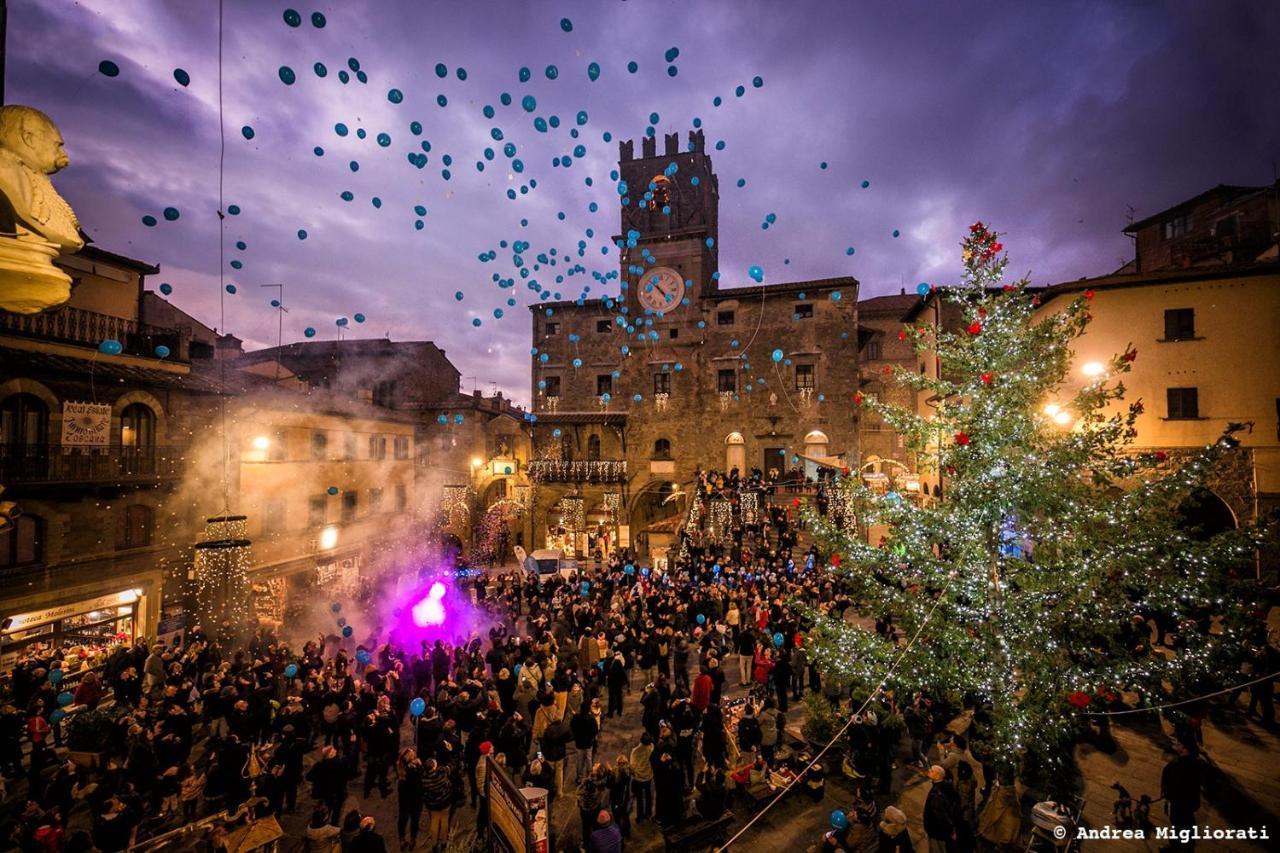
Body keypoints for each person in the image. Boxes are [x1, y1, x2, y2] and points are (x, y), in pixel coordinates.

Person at [1160, 737, 1202, 851]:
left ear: (1184, 749)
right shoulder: (1194, 762)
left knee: (1181, 825)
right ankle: (1176, 844)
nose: (1174, 745)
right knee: (1181, 825)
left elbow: (1174, 786)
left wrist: (1167, 796)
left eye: (1178, 744)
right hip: (1187, 803)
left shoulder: (1178, 766)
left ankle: (1179, 847)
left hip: (1180, 803)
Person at [923, 764, 960, 853]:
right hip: (943, 831)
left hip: (937, 832)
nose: (929, 771)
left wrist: (950, 830)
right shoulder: (946, 786)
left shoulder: (937, 795)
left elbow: (941, 816)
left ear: (938, 775)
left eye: (932, 771)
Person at [421, 758, 452, 853]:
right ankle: (443, 842)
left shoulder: (424, 778)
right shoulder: (441, 774)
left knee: (434, 822)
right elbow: (448, 772)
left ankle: (434, 844)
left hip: (432, 803)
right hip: (444, 801)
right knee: (444, 821)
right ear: (434, 766)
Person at [394, 749, 423, 852]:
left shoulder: (401, 770)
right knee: (414, 819)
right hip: (415, 798)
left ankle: (402, 839)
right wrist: (419, 766)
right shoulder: (414, 771)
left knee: (403, 818)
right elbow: (421, 779)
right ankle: (412, 839)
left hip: (404, 797)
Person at [630, 733, 654, 821]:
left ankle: (640, 816)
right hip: (648, 776)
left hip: (638, 778)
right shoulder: (651, 748)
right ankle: (649, 813)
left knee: (639, 798)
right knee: (648, 795)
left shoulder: (635, 751)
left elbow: (632, 766)